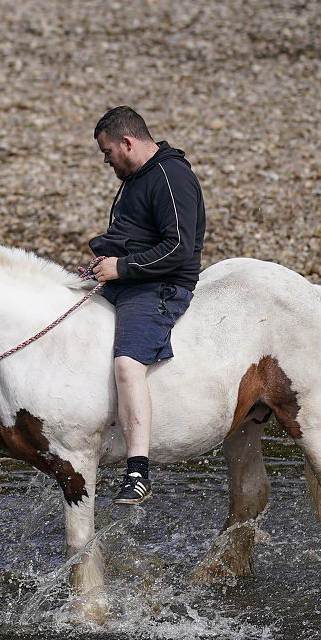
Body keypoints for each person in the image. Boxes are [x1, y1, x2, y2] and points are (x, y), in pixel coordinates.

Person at [88, 106, 205, 504]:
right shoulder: (137, 177)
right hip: (129, 278)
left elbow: (177, 248)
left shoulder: (173, 178)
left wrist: (120, 267)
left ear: (127, 142)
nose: (106, 160)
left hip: (160, 286)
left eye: (107, 152)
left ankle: (137, 471)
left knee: (127, 363)